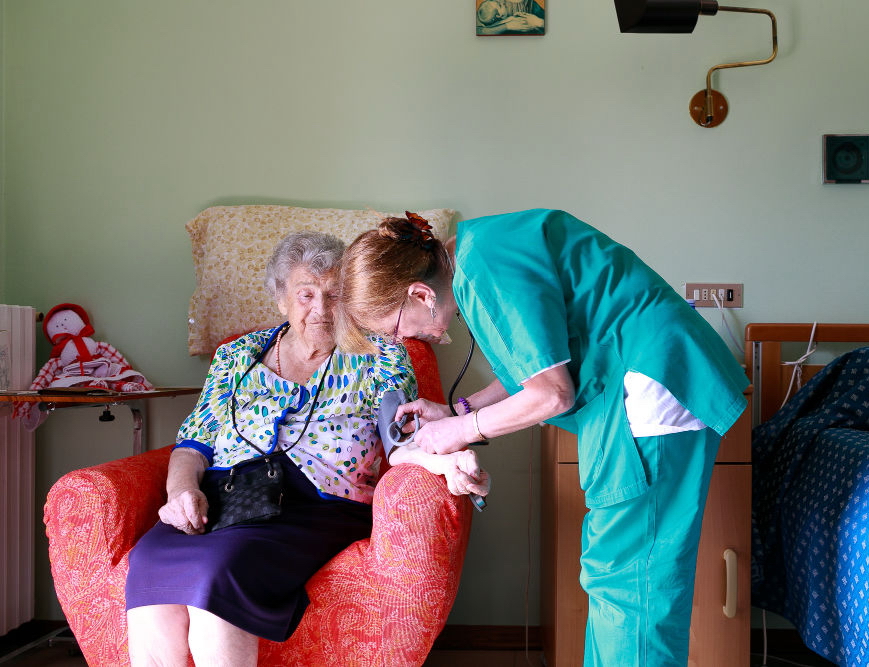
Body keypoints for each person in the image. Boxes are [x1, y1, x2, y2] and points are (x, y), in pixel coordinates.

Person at [336, 209, 749, 666]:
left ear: (419, 294)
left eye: (395, 328)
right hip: (632, 388)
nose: (404, 339)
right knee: (612, 575)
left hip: (650, 388)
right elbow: (533, 371)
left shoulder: (485, 269)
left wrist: (461, 429)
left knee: (634, 584)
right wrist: (457, 409)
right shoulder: (480, 253)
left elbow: (552, 394)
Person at [124, 231, 489, 667]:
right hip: (223, 498)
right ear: (281, 300)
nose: (320, 308)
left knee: (217, 576)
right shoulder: (236, 357)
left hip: (313, 505)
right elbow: (193, 443)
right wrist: (181, 492)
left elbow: (402, 439)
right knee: (149, 563)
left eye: (334, 294)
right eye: (305, 294)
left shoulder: (379, 353)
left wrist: (444, 462)